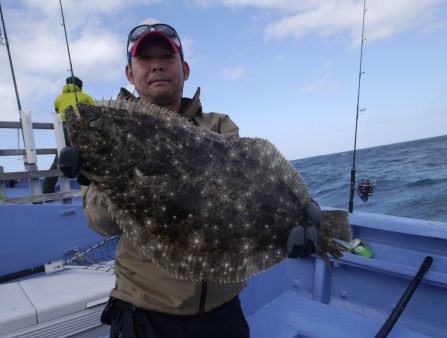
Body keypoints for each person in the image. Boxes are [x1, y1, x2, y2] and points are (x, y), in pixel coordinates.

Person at [59, 18, 320, 338]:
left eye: (166, 58)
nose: (157, 67)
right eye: (145, 60)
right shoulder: (118, 128)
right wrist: (95, 180)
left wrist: (298, 212)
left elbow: (248, 189)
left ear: (184, 69)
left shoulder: (219, 127)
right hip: (144, 311)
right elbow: (102, 224)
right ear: (130, 74)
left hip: (221, 311)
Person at [42, 76, 95, 194]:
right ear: (79, 86)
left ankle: (46, 190)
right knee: (86, 156)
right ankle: (88, 188)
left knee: (59, 158)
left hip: (62, 130)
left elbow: (57, 111)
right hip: (79, 127)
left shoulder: (58, 98)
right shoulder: (85, 97)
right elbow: (93, 111)